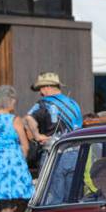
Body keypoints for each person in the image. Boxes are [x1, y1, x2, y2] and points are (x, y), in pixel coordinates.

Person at [24, 72, 83, 204]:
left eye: (41, 88)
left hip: (53, 153)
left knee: (53, 198)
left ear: (47, 87)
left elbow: (28, 118)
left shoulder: (43, 103)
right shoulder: (74, 103)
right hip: (75, 153)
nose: (40, 92)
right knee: (73, 198)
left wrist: (37, 135)